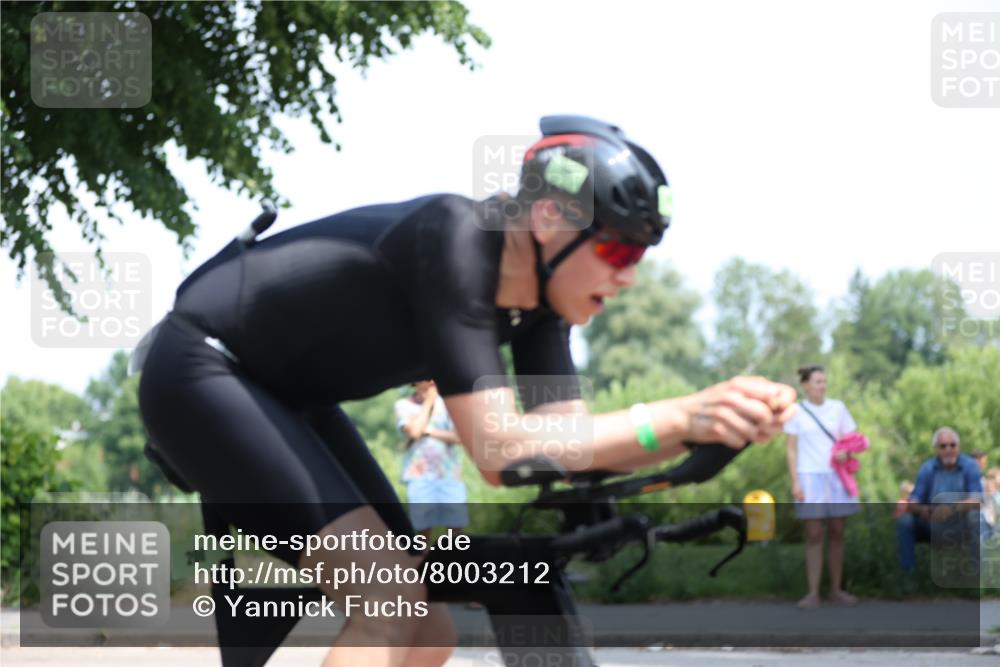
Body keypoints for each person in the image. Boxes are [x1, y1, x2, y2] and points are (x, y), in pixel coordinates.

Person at [137, 115, 798, 667]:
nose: (629, 277)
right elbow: (498, 447)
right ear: (548, 219)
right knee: (388, 596)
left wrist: (704, 429)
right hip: (202, 368)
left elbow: (564, 449)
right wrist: (677, 413)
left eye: (641, 258)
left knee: (429, 625)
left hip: (286, 395)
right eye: (620, 253)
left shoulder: (541, 308)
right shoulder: (454, 238)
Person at [784, 364, 860, 609]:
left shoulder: (838, 408)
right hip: (809, 477)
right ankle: (813, 593)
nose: (822, 385)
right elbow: (791, 448)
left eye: (824, 381)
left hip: (836, 477)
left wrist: (845, 452)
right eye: (817, 381)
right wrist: (795, 481)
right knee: (814, 534)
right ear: (805, 385)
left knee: (837, 533)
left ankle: (836, 590)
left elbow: (853, 440)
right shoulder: (796, 412)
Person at [896, 427, 984, 575]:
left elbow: (978, 499)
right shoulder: (927, 468)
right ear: (936, 449)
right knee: (905, 521)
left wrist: (951, 509)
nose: (948, 449)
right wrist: (923, 510)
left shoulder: (970, 466)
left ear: (958, 447)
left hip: (962, 524)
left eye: (952, 445)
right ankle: (908, 575)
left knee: (976, 517)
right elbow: (913, 502)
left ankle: (977, 575)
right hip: (932, 524)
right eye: (943, 446)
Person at [395, 380, 468, 541]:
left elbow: (458, 437)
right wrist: (428, 402)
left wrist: (428, 431)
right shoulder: (404, 405)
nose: (432, 382)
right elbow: (414, 432)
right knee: (422, 531)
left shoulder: (448, 404)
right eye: (426, 378)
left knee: (456, 531)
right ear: (415, 382)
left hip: (450, 475)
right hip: (419, 476)